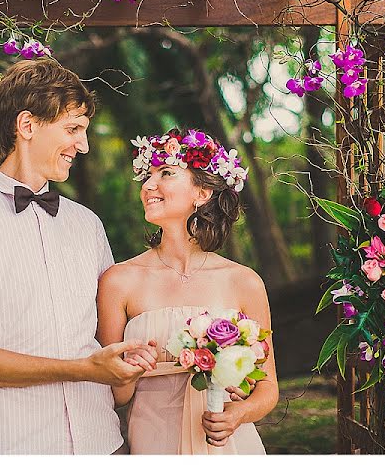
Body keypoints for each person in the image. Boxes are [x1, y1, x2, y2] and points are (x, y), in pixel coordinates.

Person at [0, 58, 158, 454]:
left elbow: (108, 348)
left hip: (103, 444)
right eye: (72, 129)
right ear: (27, 126)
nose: (83, 145)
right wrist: (82, 370)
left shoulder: (88, 224)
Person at [97, 127, 279, 454]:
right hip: (153, 442)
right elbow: (114, 395)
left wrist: (238, 415)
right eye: (147, 176)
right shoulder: (118, 280)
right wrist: (130, 371)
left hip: (228, 445)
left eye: (166, 173)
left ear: (202, 193)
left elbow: (267, 388)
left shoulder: (244, 281)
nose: (149, 185)